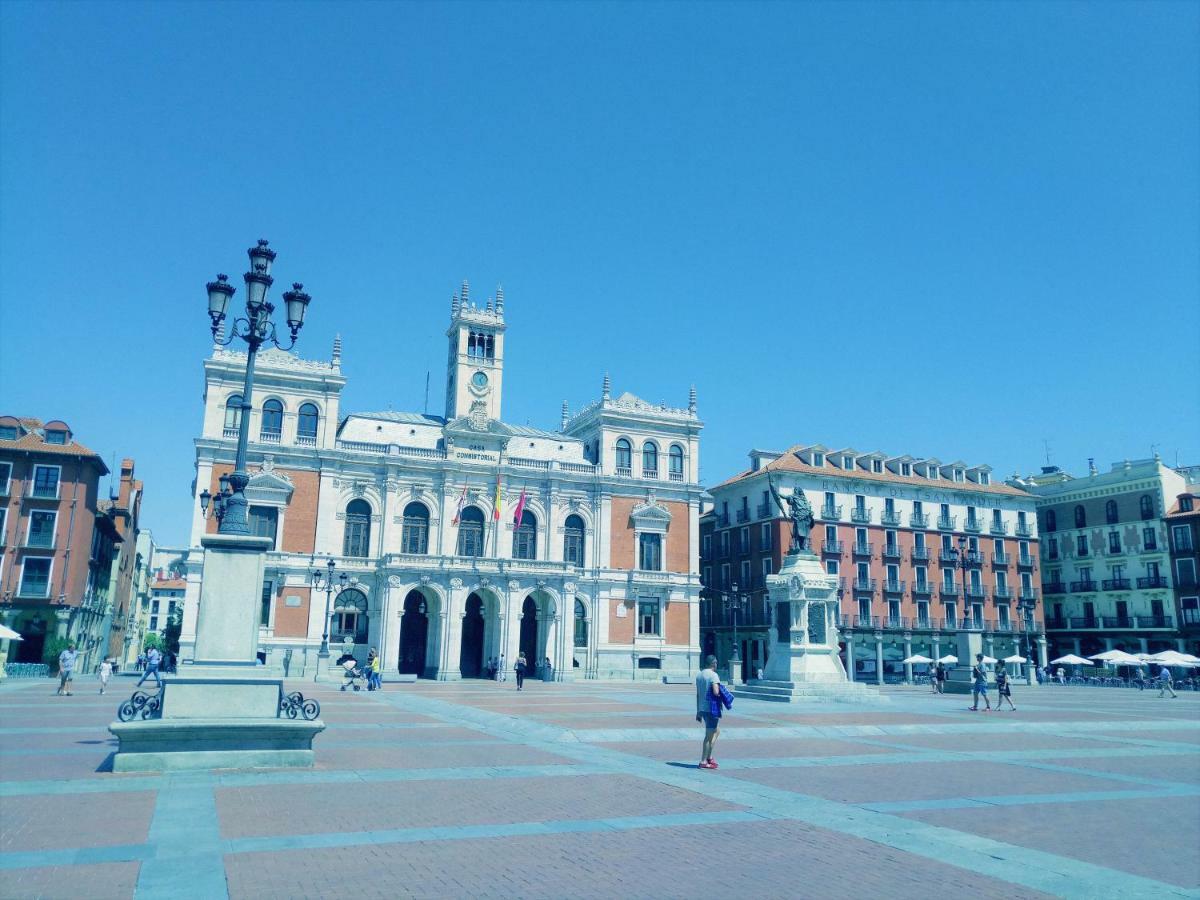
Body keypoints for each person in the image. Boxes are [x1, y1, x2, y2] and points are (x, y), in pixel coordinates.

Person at [695, 654, 722, 769]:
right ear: (713, 663)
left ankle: (709, 756)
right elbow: (716, 692)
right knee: (708, 736)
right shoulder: (714, 675)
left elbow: (698, 694)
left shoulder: (699, 675)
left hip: (702, 708)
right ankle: (703, 761)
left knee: (717, 731)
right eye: (716, 663)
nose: (716, 665)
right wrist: (723, 695)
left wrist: (698, 711)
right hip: (712, 709)